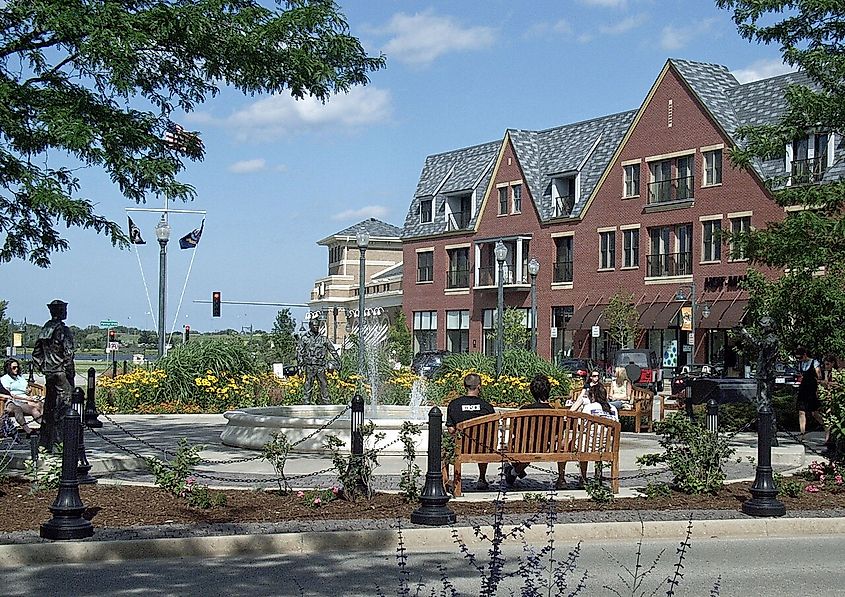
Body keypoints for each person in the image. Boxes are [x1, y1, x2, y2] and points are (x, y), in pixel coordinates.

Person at [504, 374, 569, 489]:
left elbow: (514, 431)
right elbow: (558, 435)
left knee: (516, 445)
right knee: (562, 443)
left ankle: (514, 472)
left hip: (523, 447)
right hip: (545, 448)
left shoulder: (524, 410)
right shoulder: (555, 413)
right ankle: (561, 478)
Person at [32, 299, 75, 451]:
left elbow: (36, 353)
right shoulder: (63, 330)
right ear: (61, 312)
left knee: (50, 407)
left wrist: (43, 368)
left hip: (50, 374)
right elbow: (68, 353)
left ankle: (45, 443)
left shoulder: (45, 329)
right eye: (64, 310)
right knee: (64, 407)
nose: (66, 312)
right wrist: (69, 372)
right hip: (61, 373)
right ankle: (60, 443)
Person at [445, 373, 495, 491]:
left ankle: (445, 481)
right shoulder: (487, 407)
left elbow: (451, 429)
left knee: (442, 447)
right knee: (484, 441)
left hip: (460, 448)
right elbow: (492, 430)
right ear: (479, 386)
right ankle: (482, 478)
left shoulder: (454, 405)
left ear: (465, 386)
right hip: (482, 447)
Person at [577, 383, 619, 485]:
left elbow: (581, 425)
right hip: (606, 446)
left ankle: (583, 478)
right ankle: (598, 476)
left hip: (589, 445)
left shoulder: (589, 407)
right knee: (599, 441)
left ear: (593, 396)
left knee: (584, 439)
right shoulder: (613, 409)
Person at [296, 319, 340, 405]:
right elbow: (299, 352)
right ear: (310, 326)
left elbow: (332, 350)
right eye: (314, 325)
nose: (316, 327)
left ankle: (326, 401)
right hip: (310, 366)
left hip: (320, 366)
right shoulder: (305, 338)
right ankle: (306, 402)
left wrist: (338, 360)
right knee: (308, 384)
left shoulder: (323, 339)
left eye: (317, 326)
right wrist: (300, 365)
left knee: (324, 384)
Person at [0, 359, 42, 436]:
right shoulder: (5, 379)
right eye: (14, 367)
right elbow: (9, 394)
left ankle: (46, 426)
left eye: (17, 367)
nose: (16, 369)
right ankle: (31, 430)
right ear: (8, 368)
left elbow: (25, 389)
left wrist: (28, 391)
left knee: (40, 404)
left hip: (25, 398)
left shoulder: (20, 377)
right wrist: (26, 399)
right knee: (34, 408)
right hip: (14, 400)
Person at [795, 346, 824, 439]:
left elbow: (819, 376)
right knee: (801, 411)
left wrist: (818, 388)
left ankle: (827, 426)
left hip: (812, 389)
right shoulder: (801, 364)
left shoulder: (814, 362)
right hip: (803, 389)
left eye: (800, 357)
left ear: (805, 355)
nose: (799, 359)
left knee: (814, 413)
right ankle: (802, 433)